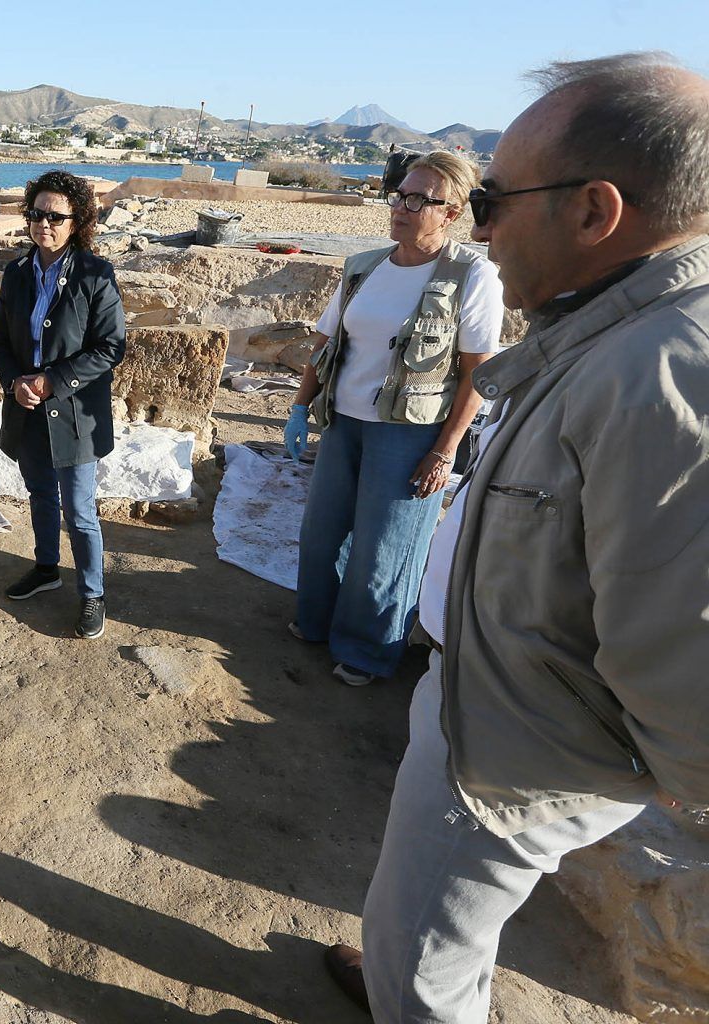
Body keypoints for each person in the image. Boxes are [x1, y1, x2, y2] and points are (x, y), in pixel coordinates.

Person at [323, 53, 709, 1022]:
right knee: (429, 927)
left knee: (424, 961)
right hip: (497, 707)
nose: (477, 226)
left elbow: (687, 660)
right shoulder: (621, 330)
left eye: (489, 201)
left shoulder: (668, 371)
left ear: (594, 211)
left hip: (520, 753)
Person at [284, 150, 502, 685]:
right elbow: (325, 340)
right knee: (324, 532)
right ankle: (317, 622)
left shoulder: (472, 276)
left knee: (388, 547)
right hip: (344, 422)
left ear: (451, 212)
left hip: (411, 432)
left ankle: (366, 651)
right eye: (400, 195)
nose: (401, 207)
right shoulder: (363, 266)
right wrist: (297, 407)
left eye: (419, 199)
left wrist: (445, 448)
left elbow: (478, 372)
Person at [0, 171, 126, 640]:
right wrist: (14, 382)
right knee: (41, 495)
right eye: (37, 213)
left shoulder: (94, 274)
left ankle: (92, 593)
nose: (43, 223)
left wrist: (52, 381)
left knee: (80, 509)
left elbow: (110, 347)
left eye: (55, 216)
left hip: (73, 415)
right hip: (26, 409)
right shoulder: (17, 272)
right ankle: (46, 568)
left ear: (76, 221)